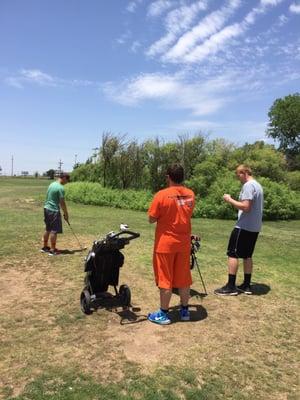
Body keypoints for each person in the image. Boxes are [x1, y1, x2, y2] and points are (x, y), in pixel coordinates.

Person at [147, 164, 195, 325]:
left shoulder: (161, 195)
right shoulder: (190, 194)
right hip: (183, 243)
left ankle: (163, 313)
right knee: (183, 278)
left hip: (165, 244)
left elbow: (151, 218)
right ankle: (185, 310)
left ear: (168, 177)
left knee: (165, 279)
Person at [214, 164, 263, 296]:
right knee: (247, 255)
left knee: (232, 253)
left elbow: (246, 207)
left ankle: (231, 287)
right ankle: (246, 285)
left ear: (245, 172)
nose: (238, 177)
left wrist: (229, 200)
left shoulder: (248, 185)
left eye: (239, 174)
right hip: (254, 227)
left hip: (244, 226)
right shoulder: (257, 185)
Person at [41, 172, 70, 256]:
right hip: (53, 210)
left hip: (46, 208)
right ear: (64, 178)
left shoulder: (52, 184)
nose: (67, 182)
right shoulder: (61, 188)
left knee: (48, 229)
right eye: (67, 180)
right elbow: (62, 203)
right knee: (54, 230)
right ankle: (53, 250)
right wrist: (66, 214)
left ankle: (45, 247)